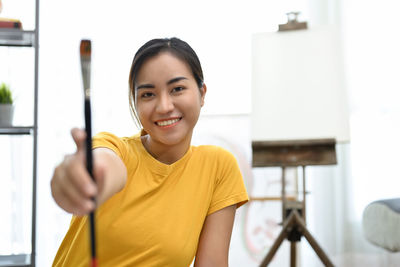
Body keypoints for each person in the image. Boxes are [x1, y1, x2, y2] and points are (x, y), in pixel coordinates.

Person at [51, 37, 248, 267]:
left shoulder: (218, 167)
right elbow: (105, 166)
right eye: (148, 94)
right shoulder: (115, 149)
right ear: (135, 102)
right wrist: (85, 177)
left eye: (177, 89)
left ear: (202, 93)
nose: (164, 106)